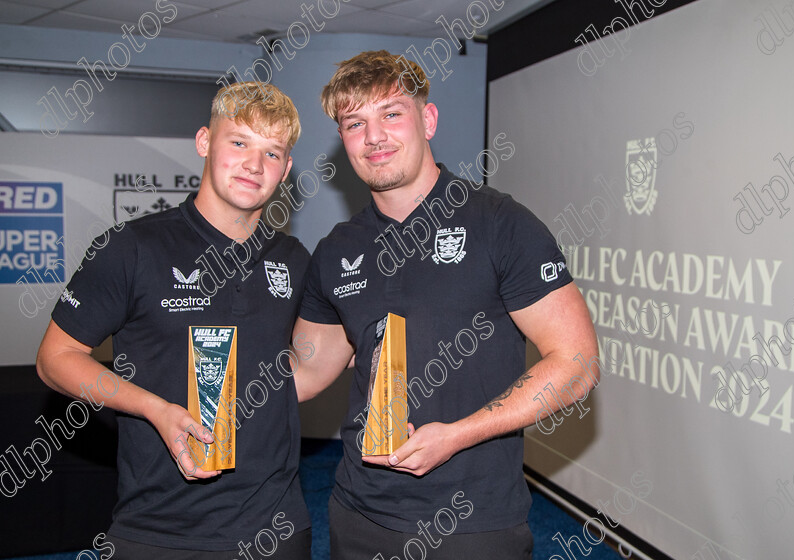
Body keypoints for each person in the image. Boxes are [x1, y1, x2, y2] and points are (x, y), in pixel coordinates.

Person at [292, 50, 599, 559]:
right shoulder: (336, 250)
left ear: (427, 119)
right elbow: (305, 369)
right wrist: (193, 382)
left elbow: (577, 363)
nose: (374, 137)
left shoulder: (501, 224)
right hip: (358, 512)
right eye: (354, 123)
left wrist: (457, 435)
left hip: (473, 522)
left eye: (391, 113)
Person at [36, 81, 312, 559]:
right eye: (240, 142)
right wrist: (154, 408)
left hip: (277, 528)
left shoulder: (294, 258)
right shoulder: (130, 247)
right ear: (205, 142)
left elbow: (309, 361)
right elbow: (55, 359)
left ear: (286, 170)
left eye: (272, 153)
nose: (254, 164)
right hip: (160, 529)